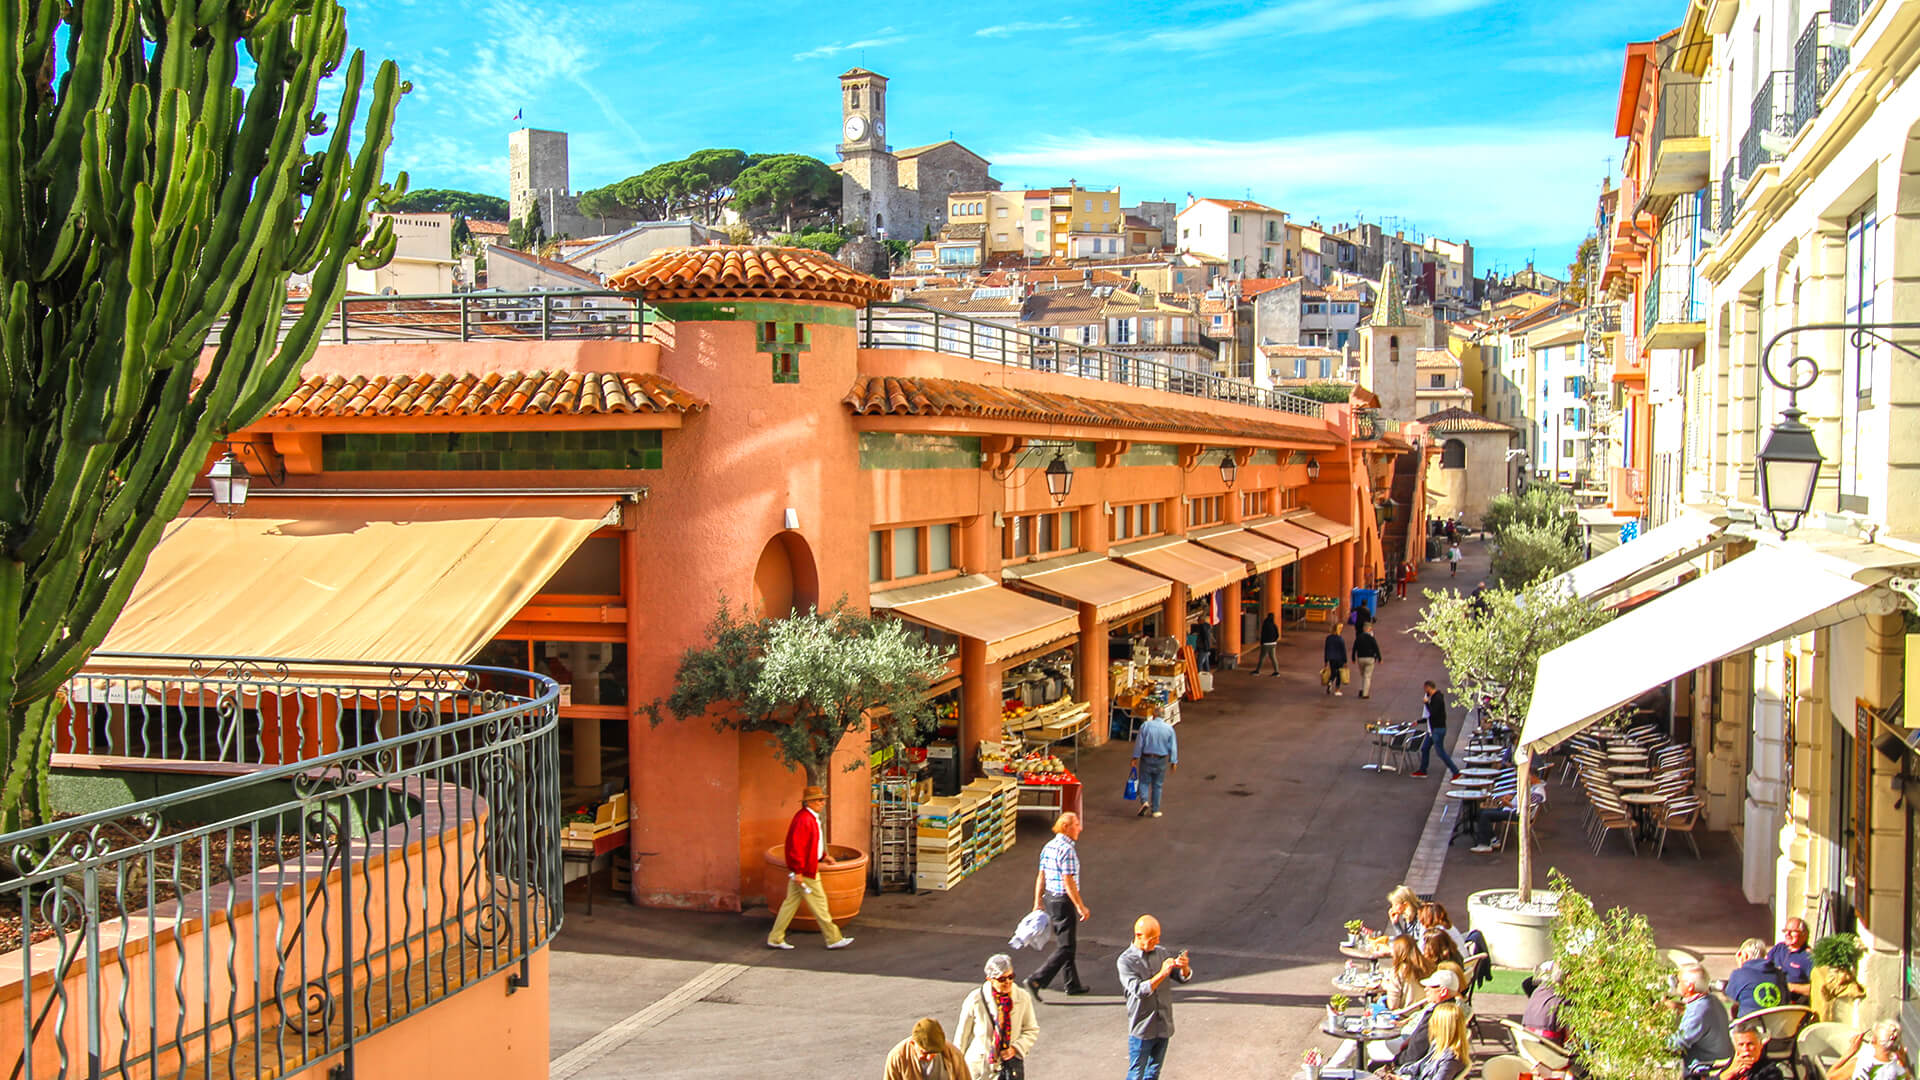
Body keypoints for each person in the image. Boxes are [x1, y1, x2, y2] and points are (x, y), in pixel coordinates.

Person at [766, 785, 852, 950]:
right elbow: (797, 848)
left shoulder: (807, 818)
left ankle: (776, 937)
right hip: (806, 871)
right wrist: (799, 871)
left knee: (790, 904)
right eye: (819, 800)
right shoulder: (805, 820)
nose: (822, 803)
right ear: (809, 802)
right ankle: (833, 938)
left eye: (822, 800)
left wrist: (823, 857)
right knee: (820, 904)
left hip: (803, 870)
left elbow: (810, 845)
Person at [1117, 914, 1191, 1080]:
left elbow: (1180, 976)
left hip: (1163, 1024)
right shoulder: (1126, 961)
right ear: (1138, 936)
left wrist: (1184, 968)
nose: (1156, 942)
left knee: (1153, 1073)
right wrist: (1162, 973)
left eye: (1158, 938)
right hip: (1143, 1028)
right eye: (1152, 939)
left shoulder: (1161, 953)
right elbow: (1139, 990)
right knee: (1136, 1074)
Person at [1027, 813, 1090, 999]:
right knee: (1066, 947)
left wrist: (1038, 901)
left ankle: (1072, 983)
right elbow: (1068, 880)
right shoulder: (1067, 850)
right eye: (1076, 824)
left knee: (1067, 943)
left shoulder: (1049, 847)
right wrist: (1080, 906)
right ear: (1065, 827)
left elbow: (1041, 876)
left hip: (1051, 899)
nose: (1080, 828)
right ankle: (1037, 979)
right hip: (1063, 900)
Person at [955, 954, 1040, 1080]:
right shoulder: (975, 999)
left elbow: (1031, 1030)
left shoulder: (1022, 998)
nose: (1008, 982)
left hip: (1009, 1068)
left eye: (1011, 977)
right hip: (979, 1069)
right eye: (1002, 979)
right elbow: (962, 1035)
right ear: (990, 979)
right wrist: (956, 1067)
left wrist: (1015, 1048)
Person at [1669, 963, 1734, 1075]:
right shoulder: (1712, 1000)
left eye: (1679, 981)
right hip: (1720, 1058)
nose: (1677, 984)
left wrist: (1650, 1033)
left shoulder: (1699, 1011)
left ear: (1690, 986)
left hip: (1704, 1067)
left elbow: (1676, 1044)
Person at [1386, 1002, 1472, 1080]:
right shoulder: (1438, 1045)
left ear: (1442, 1027)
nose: (1430, 1024)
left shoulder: (1450, 1059)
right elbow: (1420, 1066)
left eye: (1434, 1021)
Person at [1470, 778, 1545, 853]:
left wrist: (1509, 804)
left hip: (1518, 814)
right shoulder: (1532, 787)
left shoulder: (1538, 792)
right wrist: (1512, 797)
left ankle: (1484, 844)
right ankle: (1492, 839)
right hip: (1510, 810)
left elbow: (1526, 808)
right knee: (1481, 812)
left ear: (1533, 777)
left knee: (1485, 815)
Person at [884, 1017, 973, 1080]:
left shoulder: (953, 1054)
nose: (929, 1057)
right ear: (912, 1043)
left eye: (934, 1053)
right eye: (925, 1053)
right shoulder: (897, 1057)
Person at [1131, 710, 1178, 818]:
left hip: (1146, 758)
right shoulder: (1169, 729)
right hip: (1161, 759)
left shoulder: (1145, 726)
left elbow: (1139, 743)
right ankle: (1155, 810)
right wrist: (1173, 761)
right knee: (1158, 785)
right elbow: (1173, 747)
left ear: (1154, 715)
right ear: (1163, 716)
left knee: (1144, 782)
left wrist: (1135, 757)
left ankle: (1144, 801)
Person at [1828, 1019, 1911, 1080]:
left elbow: (1830, 1077)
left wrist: (1852, 1051)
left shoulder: (1860, 1065)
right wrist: (1903, 1062)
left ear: (1874, 1040)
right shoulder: (1900, 1071)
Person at [1725, 937, 1788, 1017]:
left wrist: (1741, 967)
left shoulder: (1739, 974)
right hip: (1777, 1024)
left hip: (1749, 1025)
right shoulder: (1779, 974)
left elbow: (1730, 1000)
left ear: (1745, 955)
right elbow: (1786, 1000)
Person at [1413, 681, 1460, 780]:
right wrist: (1418, 721)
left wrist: (1426, 703)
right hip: (1433, 730)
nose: (1425, 692)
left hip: (1437, 730)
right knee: (1425, 748)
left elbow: (1433, 713)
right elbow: (1430, 716)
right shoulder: (1435, 698)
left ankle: (1455, 771)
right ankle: (1422, 770)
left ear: (1428, 688)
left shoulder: (1437, 699)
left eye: (1425, 689)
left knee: (1440, 752)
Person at [1766, 918, 1814, 1005]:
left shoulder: (1808, 957)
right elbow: (1763, 965)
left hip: (1793, 1003)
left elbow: (1815, 988)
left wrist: (1791, 987)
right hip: (1770, 996)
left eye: (1792, 931)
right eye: (1786, 931)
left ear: (1804, 934)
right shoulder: (1779, 948)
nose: (1787, 934)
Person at [1719, 1020, 1789, 1080]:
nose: (1745, 1049)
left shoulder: (1771, 1072)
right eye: (1741, 1044)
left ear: (1760, 1045)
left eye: (1750, 1044)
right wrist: (1730, 1072)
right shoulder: (1732, 1065)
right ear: (1735, 1047)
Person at [1385, 934, 1435, 1011]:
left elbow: (1393, 1005)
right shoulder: (1429, 965)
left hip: (1405, 1016)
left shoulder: (1398, 971)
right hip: (1426, 1012)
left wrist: (1387, 987)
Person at [1520, 960, 1567, 1043]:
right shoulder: (1564, 998)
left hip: (1526, 1039)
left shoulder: (1538, 991)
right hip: (1547, 1043)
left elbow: (1526, 983)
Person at [1353, 620, 1383, 699]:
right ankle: (1365, 694)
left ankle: (1361, 689)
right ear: (1369, 629)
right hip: (1370, 658)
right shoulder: (1371, 638)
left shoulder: (1359, 637)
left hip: (1360, 658)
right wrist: (1380, 658)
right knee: (1367, 676)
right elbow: (1376, 648)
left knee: (1362, 675)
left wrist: (1353, 657)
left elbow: (1354, 648)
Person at [1323, 627, 1348, 696]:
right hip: (1339, 658)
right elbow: (1343, 650)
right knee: (1339, 673)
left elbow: (1326, 649)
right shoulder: (1340, 639)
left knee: (1333, 671)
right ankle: (1337, 689)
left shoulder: (1328, 638)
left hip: (1331, 658)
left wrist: (1326, 660)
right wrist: (1345, 661)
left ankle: (1330, 681)